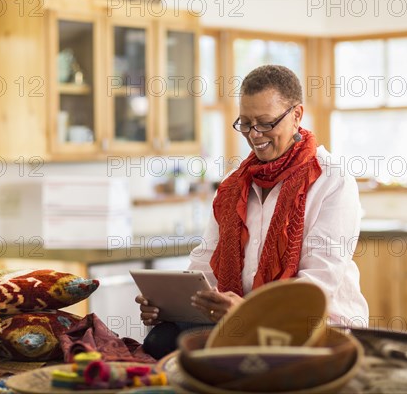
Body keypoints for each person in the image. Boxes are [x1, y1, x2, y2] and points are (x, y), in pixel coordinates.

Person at [135, 65, 369, 359]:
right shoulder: (235, 183)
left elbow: (318, 286)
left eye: (265, 123)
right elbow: (204, 265)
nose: (254, 134)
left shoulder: (333, 179)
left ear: (297, 115)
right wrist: (173, 303)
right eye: (245, 123)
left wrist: (248, 310)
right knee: (161, 340)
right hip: (242, 323)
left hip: (316, 326)